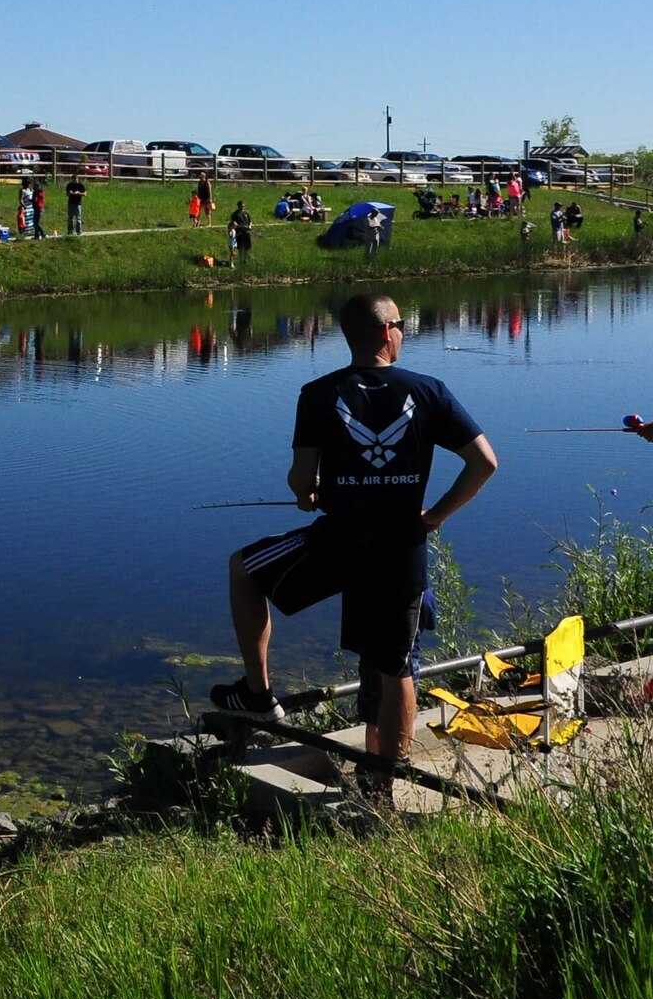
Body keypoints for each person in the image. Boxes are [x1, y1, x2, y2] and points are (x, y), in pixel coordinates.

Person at [213, 293, 498, 798]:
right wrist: (433, 517)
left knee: (243, 570)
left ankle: (258, 695)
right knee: (393, 666)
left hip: (340, 543)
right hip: (400, 551)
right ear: (388, 332)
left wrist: (310, 493)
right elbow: (484, 464)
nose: (405, 332)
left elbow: (301, 480)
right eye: (404, 325)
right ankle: (382, 787)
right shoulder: (428, 390)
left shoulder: (319, 393)